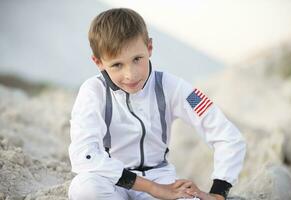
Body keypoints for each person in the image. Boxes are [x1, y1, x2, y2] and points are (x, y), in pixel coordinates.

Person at [68, 8, 246, 200]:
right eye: (117, 65)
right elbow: (84, 155)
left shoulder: (176, 88)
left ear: (149, 47)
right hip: (111, 181)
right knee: (83, 189)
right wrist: (150, 188)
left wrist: (219, 192)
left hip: (162, 179)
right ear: (98, 62)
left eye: (137, 59)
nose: (131, 74)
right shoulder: (92, 91)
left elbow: (227, 135)